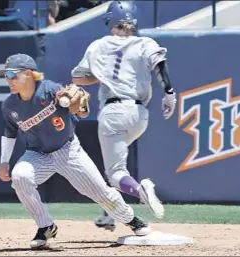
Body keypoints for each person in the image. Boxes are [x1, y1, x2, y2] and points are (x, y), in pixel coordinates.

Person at [0, 53, 152, 249]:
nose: (8, 79)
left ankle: (131, 219)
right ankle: (46, 226)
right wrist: (4, 162)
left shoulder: (50, 90)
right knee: (20, 176)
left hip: (67, 150)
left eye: (12, 74)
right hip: (37, 154)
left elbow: (82, 112)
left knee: (100, 192)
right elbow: (9, 133)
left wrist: (79, 104)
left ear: (28, 73)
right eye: (5, 75)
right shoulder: (10, 105)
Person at [71, 1, 177, 231]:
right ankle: (110, 212)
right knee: (116, 165)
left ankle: (141, 191)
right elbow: (160, 64)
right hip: (140, 115)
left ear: (110, 19)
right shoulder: (145, 42)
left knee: (116, 172)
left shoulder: (98, 46)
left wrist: (102, 75)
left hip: (113, 111)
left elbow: (78, 78)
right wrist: (169, 93)